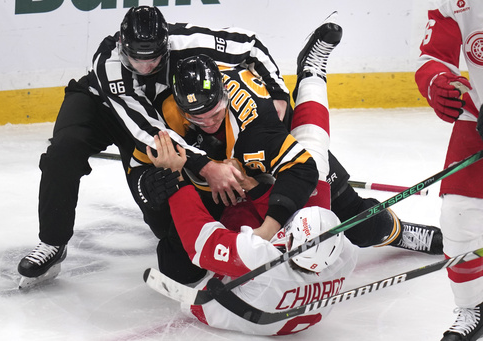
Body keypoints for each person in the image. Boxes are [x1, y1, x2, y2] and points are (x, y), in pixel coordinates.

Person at [17, 6, 291, 288]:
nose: (145, 67)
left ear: (166, 45)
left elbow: (250, 45)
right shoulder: (109, 64)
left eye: (153, 59)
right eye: (136, 59)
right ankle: (52, 242)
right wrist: (208, 167)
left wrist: (279, 92)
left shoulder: (186, 41)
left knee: (161, 221)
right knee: (64, 151)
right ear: (123, 46)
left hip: (154, 113)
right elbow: (149, 131)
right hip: (103, 108)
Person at [160, 13, 443, 254]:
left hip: (276, 137)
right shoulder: (169, 112)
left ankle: (311, 72)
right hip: (243, 166)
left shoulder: (255, 118)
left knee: (353, 219)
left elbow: (302, 170)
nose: (208, 121)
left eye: (215, 111)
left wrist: (266, 225)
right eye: (197, 116)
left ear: (225, 96)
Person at [147, 129, 358, 336]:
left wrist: (174, 179)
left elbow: (199, 240)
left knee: (176, 264)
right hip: (283, 314)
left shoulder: (261, 258)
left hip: (220, 309)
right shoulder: (344, 255)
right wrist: (254, 187)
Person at [415, 1, 483, 340]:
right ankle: (473, 305)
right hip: (479, 112)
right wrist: (437, 82)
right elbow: (433, 56)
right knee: (459, 214)